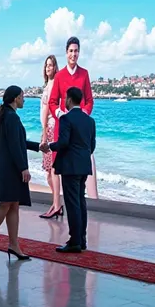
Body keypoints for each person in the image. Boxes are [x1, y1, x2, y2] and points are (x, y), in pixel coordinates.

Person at [0, 86, 40, 260]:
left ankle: (13, 244)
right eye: (22, 96)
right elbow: (15, 145)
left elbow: (17, 141)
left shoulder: (6, 115)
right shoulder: (11, 117)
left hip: (6, 167)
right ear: (15, 98)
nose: (24, 99)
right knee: (6, 204)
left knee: (13, 204)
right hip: (10, 169)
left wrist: (38, 146)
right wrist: (23, 167)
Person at [43, 87, 96, 253]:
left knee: (72, 204)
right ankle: (82, 239)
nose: (64, 101)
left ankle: (74, 241)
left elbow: (63, 142)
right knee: (81, 202)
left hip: (70, 167)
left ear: (70, 99)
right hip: (83, 166)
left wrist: (49, 146)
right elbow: (92, 145)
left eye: (66, 98)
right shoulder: (89, 121)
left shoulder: (67, 119)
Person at [49, 37, 96, 198]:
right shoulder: (60, 76)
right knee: (62, 168)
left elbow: (89, 101)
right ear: (66, 52)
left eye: (76, 51)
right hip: (64, 127)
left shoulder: (84, 74)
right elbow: (52, 102)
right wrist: (61, 115)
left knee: (79, 171)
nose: (73, 54)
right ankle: (59, 205)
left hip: (80, 130)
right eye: (71, 51)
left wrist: (83, 114)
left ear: (79, 53)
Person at [40, 55, 63, 219]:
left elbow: (49, 109)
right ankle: (57, 203)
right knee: (49, 172)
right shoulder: (47, 85)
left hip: (51, 129)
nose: (48, 68)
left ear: (55, 68)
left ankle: (56, 205)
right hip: (47, 128)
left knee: (53, 169)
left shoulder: (55, 85)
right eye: (46, 65)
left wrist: (45, 133)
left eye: (51, 65)